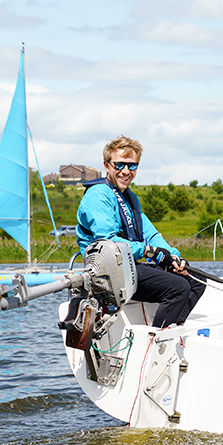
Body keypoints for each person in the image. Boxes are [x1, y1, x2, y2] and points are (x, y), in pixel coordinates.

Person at [76, 135, 206, 328]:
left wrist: (175, 258)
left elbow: (151, 235)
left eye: (132, 166)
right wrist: (148, 251)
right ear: (107, 166)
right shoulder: (98, 196)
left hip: (128, 268)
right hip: (107, 275)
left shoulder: (130, 198)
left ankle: (172, 330)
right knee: (179, 288)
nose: (126, 171)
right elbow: (109, 244)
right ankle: (156, 340)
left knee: (196, 280)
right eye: (119, 165)